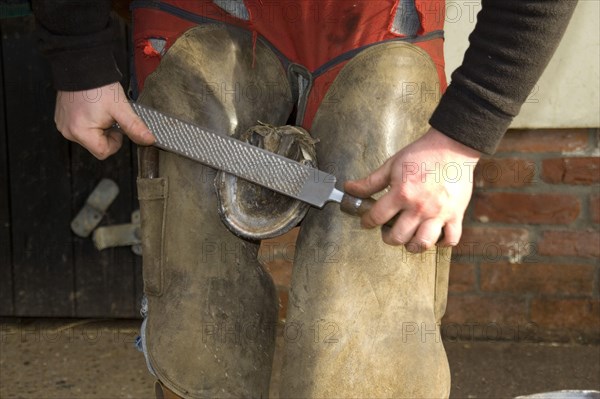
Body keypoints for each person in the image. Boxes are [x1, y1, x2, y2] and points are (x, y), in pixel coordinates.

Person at [32, 1, 577, 398]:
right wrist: (78, 56)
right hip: (196, 15)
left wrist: (460, 139)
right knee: (200, 309)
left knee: (370, 321)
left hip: (379, 19)